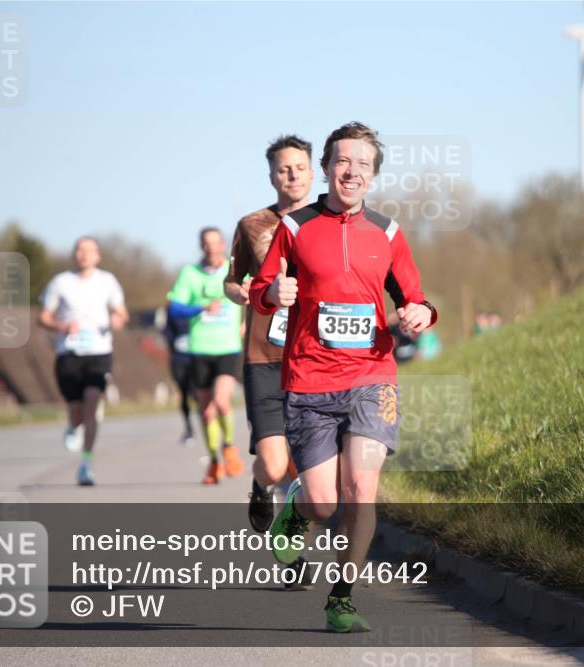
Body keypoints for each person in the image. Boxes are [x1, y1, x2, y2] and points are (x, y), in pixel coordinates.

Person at [250, 122, 437, 632]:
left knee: (361, 487)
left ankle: (343, 597)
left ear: (373, 175)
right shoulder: (295, 229)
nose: (351, 171)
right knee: (324, 500)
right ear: (328, 168)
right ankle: (296, 510)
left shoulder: (388, 233)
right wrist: (272, 295)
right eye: (342, 162)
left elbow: (414, 295)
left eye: (363, 164)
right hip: (309, 378)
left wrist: (421, 312)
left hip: (372, 376)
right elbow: (262, 288)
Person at [224, 135, 312, 534]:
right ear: (272, 176)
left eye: (299, 167)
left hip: (315, 356)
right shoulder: (252, 225)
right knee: (275, 465)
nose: (292, 175)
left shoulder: (328, 222)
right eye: (283, 168)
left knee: (308, 467)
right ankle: (261, 484)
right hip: (265, 355)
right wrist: (240, 291)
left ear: (313, 173)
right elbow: (231, 280)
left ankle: (292, 547)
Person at [39, 236, 128, 486]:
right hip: (69, 354)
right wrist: (61, 325)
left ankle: (86, 464)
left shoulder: (107, 281)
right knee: (77, 412)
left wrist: (118, 319)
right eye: (79, 249)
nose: (84, 254)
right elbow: (43, 316)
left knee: (92, 403)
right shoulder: (60, 282)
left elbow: (121, 311)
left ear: (97, 256)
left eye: (89, 250)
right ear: (74, 254)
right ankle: (72, 425)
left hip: (99, 353)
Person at [167, 227, 244, 484]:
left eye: (216, 242)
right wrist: (200, 307)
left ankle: (229, 447)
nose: (212, 248)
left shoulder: (233, 271)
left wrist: (248, 322)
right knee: (206, 411)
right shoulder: (189, 274)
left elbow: (255, 294)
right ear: (201, 246)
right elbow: (175, 309)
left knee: (222, 402)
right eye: (206, 243)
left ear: (223, 244)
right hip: (199, 349)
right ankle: (213, 462)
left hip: (228, 347)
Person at [163, 308, 196, 446]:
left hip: (196, 359)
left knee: (198, 393)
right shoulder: (172, 311)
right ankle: (189, 429)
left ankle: (209, 423)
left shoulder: (197, 306)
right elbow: (166, 332)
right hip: (178, 360)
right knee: (183, 393)